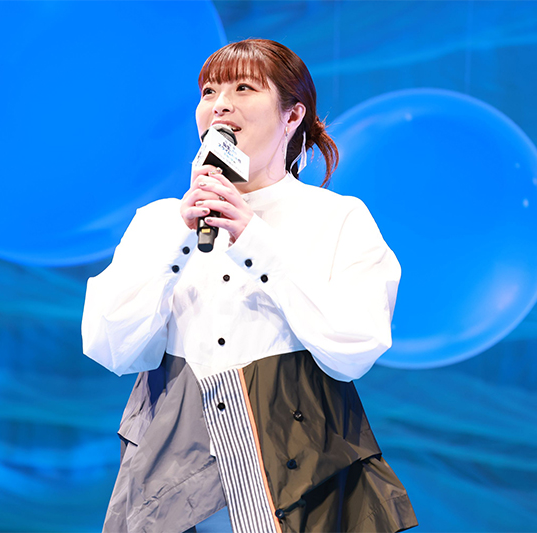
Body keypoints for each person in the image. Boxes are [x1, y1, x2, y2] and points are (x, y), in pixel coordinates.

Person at [82, 38, 417, 533]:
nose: (220, 104)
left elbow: (354, 349)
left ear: (292, 115)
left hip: (302, 480)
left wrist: (254, 240)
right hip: (170, 482)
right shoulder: (158, 224)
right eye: (209, 92)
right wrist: (178, 239)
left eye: (243, 88)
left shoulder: (336, 218)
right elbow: (110, 348)